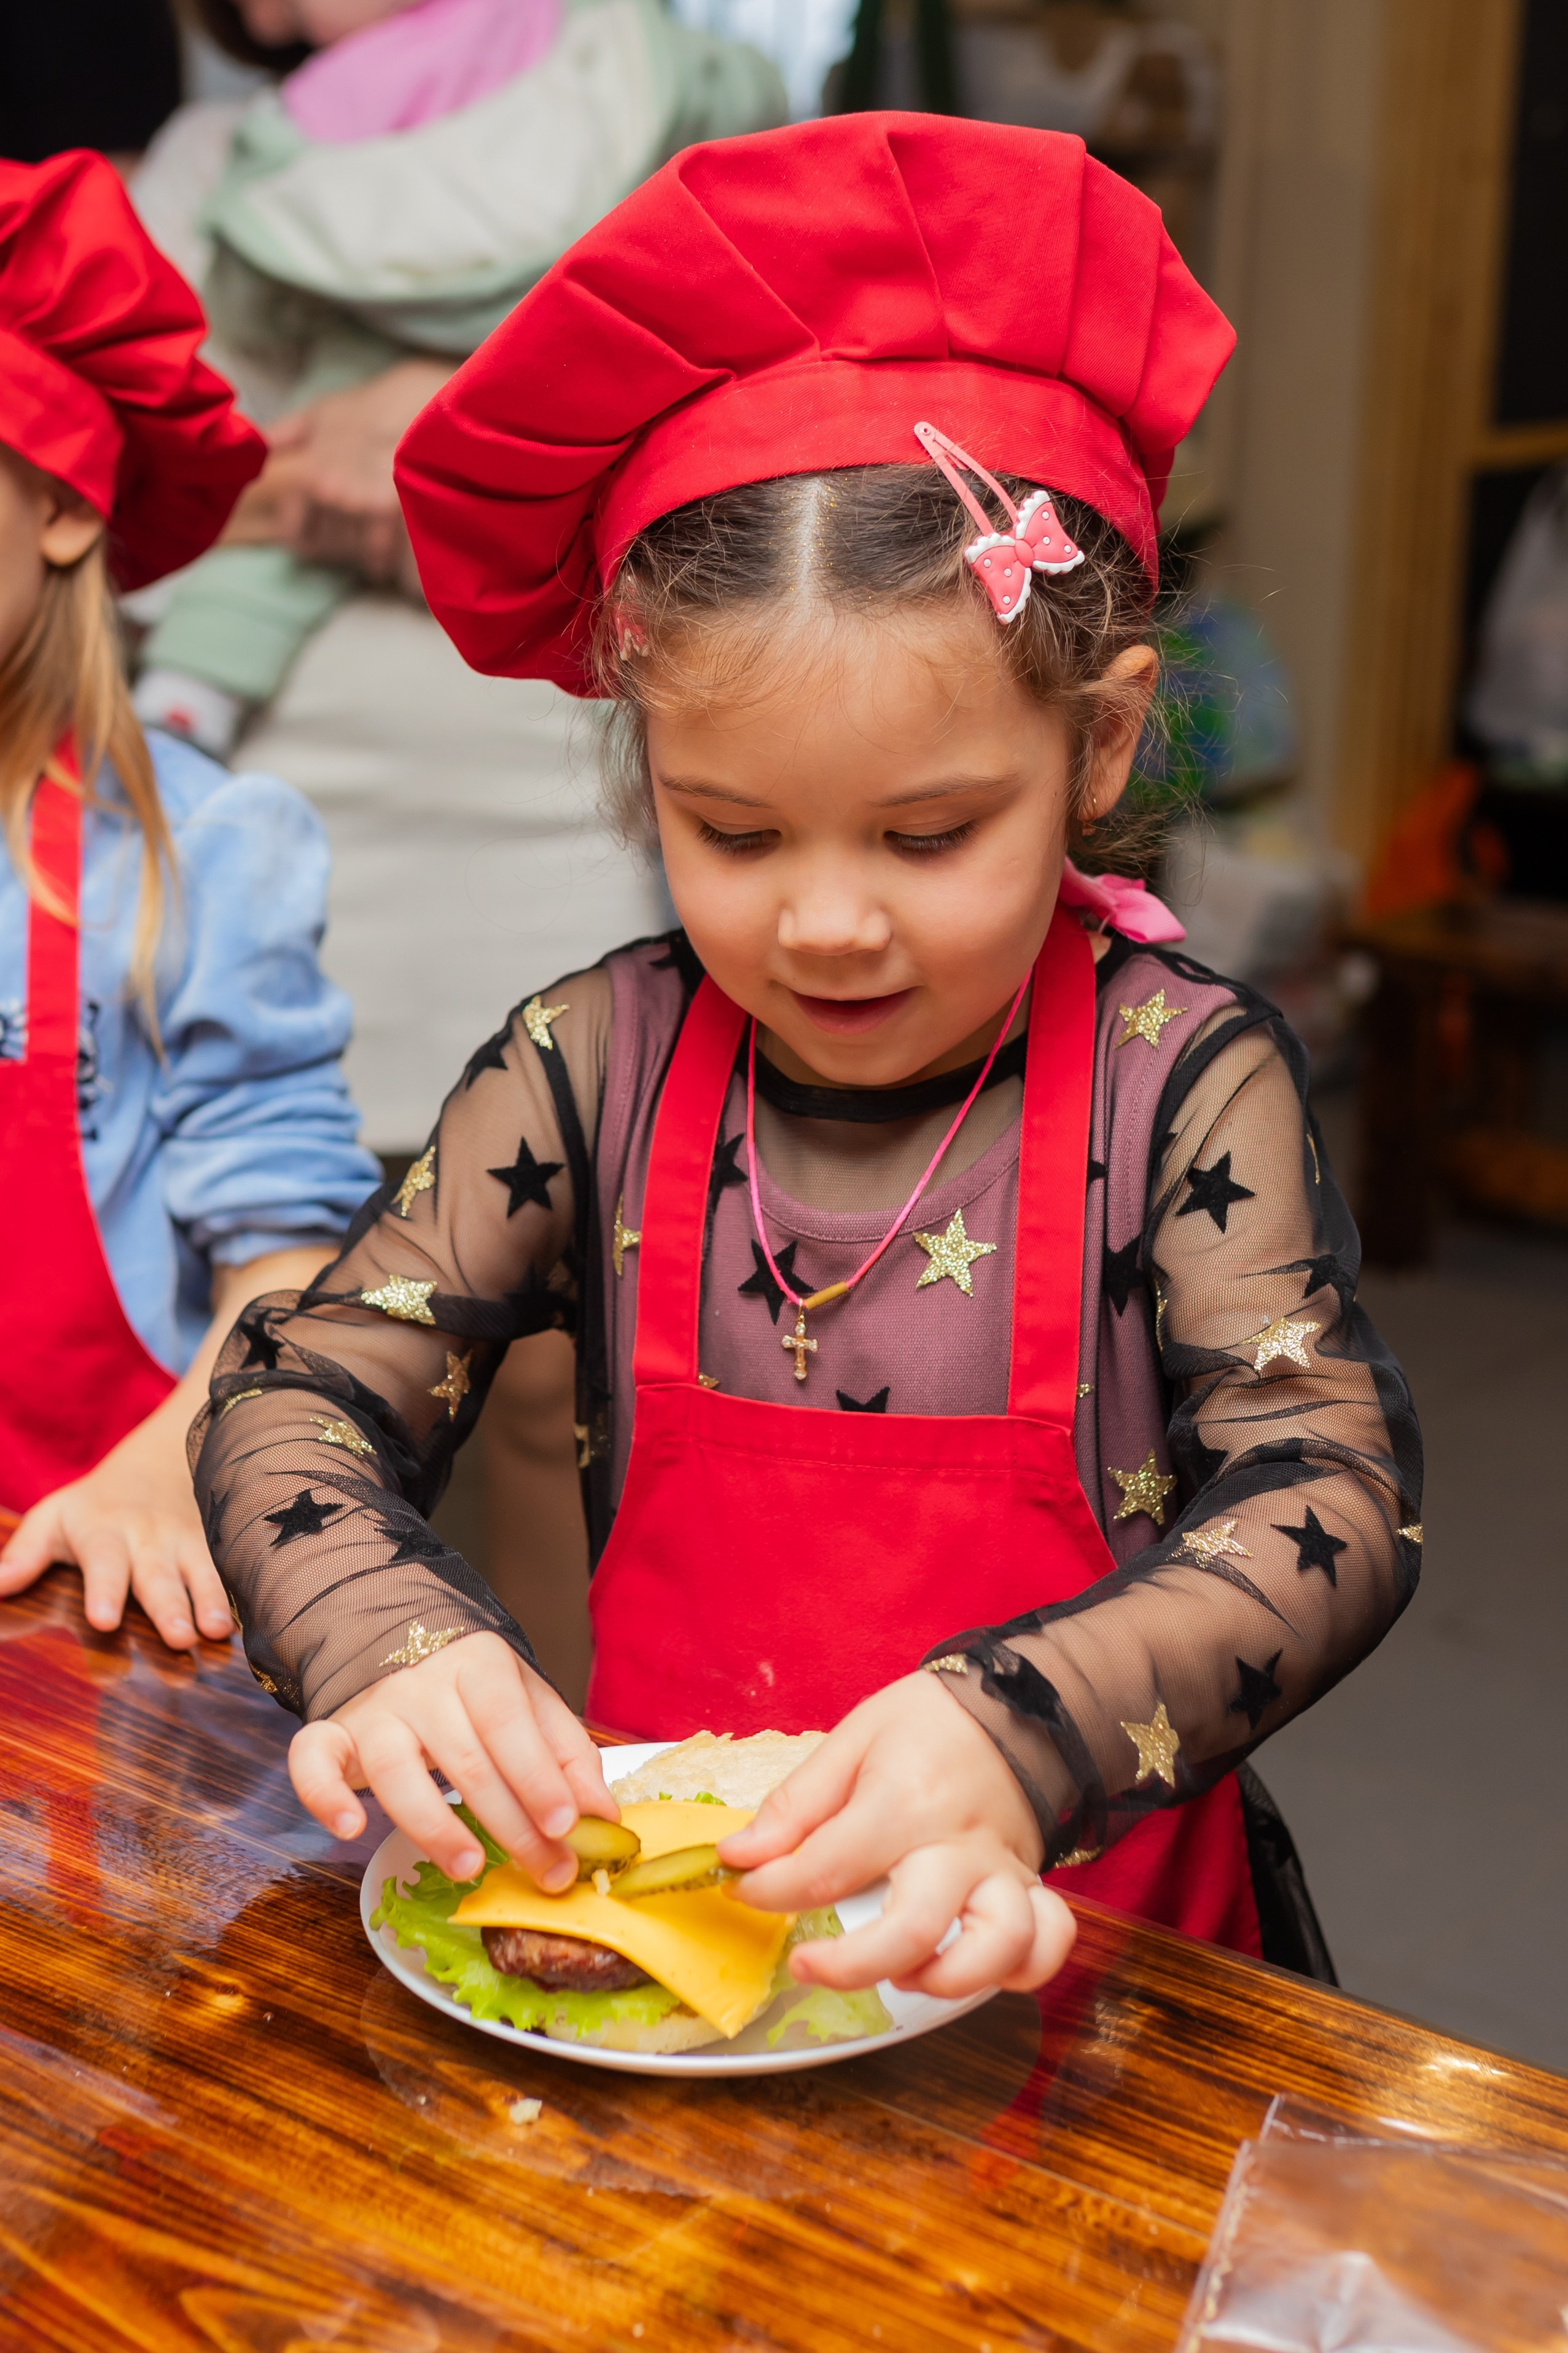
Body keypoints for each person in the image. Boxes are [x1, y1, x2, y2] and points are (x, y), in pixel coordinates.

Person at [192, 116, 1422, 2004]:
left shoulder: (1179, 1080)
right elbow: (293, 1399)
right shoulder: (590, 1056)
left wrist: (1017, 1730)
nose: (823, 922)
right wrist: (388, 1633)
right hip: (713, 1984)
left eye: (925, 835)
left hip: (1091, 1977)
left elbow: (1325, 1491)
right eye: (733, 834)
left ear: (1096, 752)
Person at [0, 151, 383, 1652]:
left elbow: (289, 1258)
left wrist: (161, 1476)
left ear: (63, 514)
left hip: (88, 1577)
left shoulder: (195, 858)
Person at [130, 0, 789, 758]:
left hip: (619, 740)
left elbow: (756, 456)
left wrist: (443, 417)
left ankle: (189, 695)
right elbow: (117, 505)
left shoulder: (636, 75)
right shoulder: (221, 168)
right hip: (293, 767)